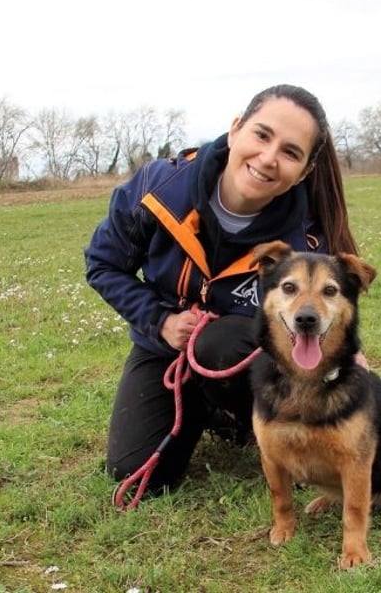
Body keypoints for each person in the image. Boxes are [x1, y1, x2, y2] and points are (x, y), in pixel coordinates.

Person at [84, 84, 359, 497]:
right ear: (235, 130)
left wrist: (351, 361)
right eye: (261, 135)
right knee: (136, 472)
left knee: (223, 342)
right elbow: (102, 263)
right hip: (164, 349)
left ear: (303, 172)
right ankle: (205, 410)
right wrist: (160, 321)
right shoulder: (158, 190)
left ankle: (255, 419)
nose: (268, 159)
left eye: (290, 152)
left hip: (240, 352)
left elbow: (328, 314)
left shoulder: (305, 242)